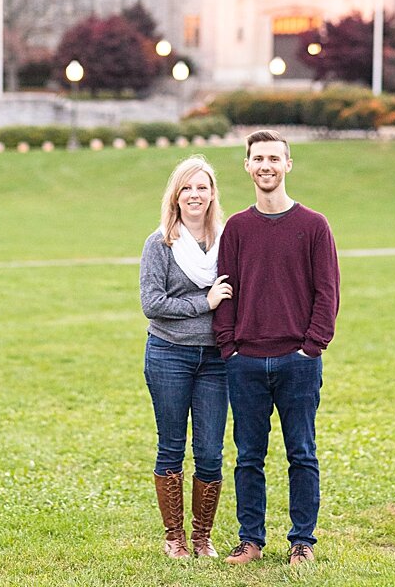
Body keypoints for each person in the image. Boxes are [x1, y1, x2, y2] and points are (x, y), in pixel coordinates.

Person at [214, 129, 340, 567]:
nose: (265, 166)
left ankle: (302, 540)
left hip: (298, 361)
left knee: (301, 452)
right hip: (245, 361)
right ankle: (250, 539)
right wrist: (228, 348)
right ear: (247, 166)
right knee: (248, 455)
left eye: (273, 158)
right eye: (257, 159)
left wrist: (311, 347)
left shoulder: (314, 225)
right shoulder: (237, 228)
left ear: (288, 165)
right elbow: (224, 291)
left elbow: (328, 293)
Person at [139, 154, 233, 558]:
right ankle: (174, 537)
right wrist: (205, 302)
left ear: (212, 195)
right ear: (175, 196)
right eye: (187, 188)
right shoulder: (160, 243)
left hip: (216, 360)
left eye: (202, 187)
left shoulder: (229, 242)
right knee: (171, 446)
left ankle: (202, 536)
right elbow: (152, 302)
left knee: (211, 450)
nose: (195, 194)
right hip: (168, 355)